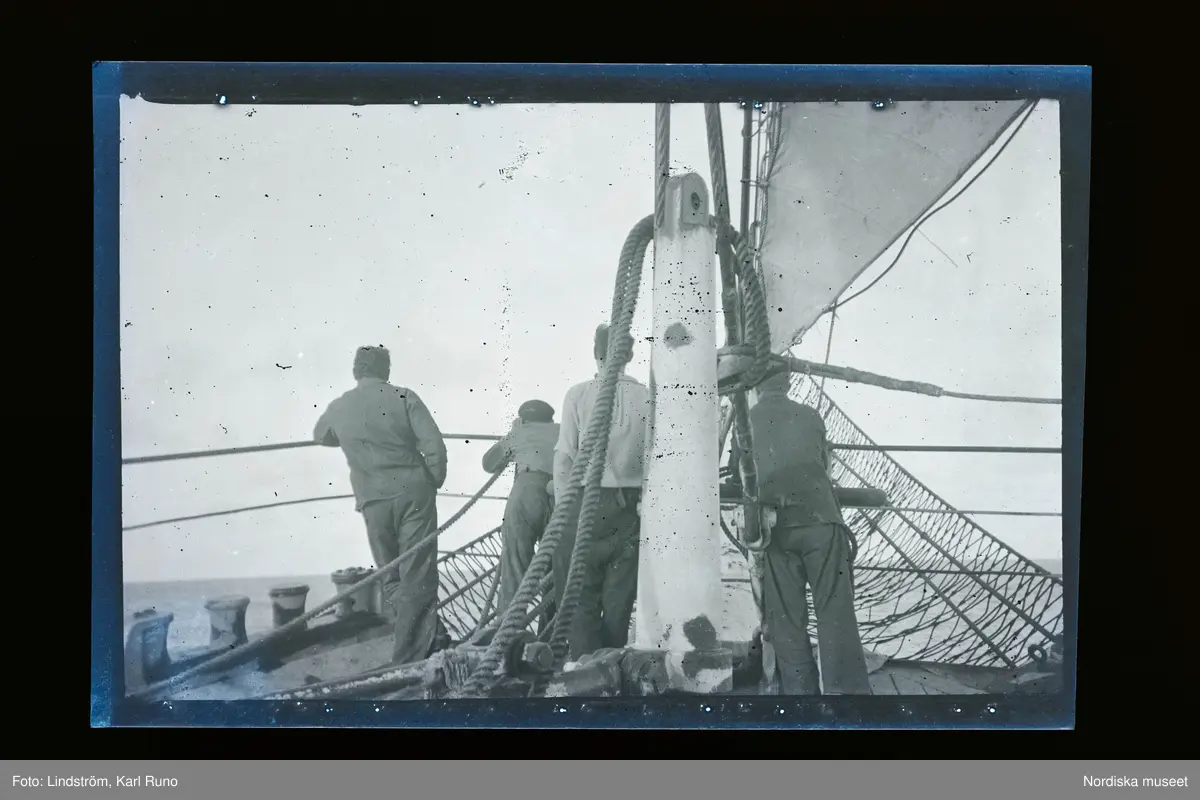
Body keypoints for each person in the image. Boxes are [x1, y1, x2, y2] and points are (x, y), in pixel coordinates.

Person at [313, 345, 450, 665]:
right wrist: (433, 480)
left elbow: (321, 435)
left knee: (391, 576)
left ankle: (425, 639)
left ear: (356, 371)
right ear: (386, 370)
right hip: (413, 493)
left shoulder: (339, 406)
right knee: (417, 573)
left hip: (373, 499)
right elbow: (434, 445)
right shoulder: (404, 397)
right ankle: (411, 654)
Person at [748, 369, 873, 695]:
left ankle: (801, 697)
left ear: (757, 386)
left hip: (777, 527)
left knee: (786, 619)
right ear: (788, 384)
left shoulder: (747, 418)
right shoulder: (810, 415)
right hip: (822, 521)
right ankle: (847, 698)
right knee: (835, 613)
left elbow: (743, 474)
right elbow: (821, 462)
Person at [552, 323, 651, 660]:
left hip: (585, 502)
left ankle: (584, 666)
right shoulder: (648, 398)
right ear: (630, 355)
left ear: (596, 353)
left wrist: (564, 508)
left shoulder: (578, 395)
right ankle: (610, 664)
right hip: (631, 508)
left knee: (578, 593)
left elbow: (564, 459)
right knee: (619, 597)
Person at [481, 399, 560, 615]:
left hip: (527, 491)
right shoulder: (562, 430)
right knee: (555, 566)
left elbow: (488, 463)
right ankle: (550, 630)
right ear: (550, 419)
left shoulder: (520, 432)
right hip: (560, 493)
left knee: (515, 563)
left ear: (523, 419)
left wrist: (513, 432)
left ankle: (508, 626)